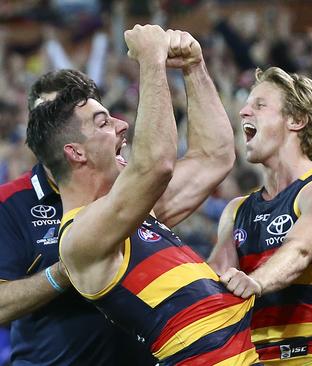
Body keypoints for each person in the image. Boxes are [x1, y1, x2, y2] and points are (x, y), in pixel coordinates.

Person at [24, 24, 258, 365]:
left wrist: (194, 67)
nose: (122, 126)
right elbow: (157, 164)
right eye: (103, 123)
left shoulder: (138, 210)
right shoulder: (80, 238)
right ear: (76, 153)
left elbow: (215, 156)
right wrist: (151, 58)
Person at [0, 74, 157, 364]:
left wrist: (193, 69)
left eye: (63, 112)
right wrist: (65, 271)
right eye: (44, 114)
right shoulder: (8, 203)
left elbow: (211, 161)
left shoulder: (124, 191)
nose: (51, 122)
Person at [207, 66, 312, 365]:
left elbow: (299, 251)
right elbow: (215, 283)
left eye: (260, 105)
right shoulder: (236, 210)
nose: (243, 112)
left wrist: (256, 282)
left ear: (296, 120)